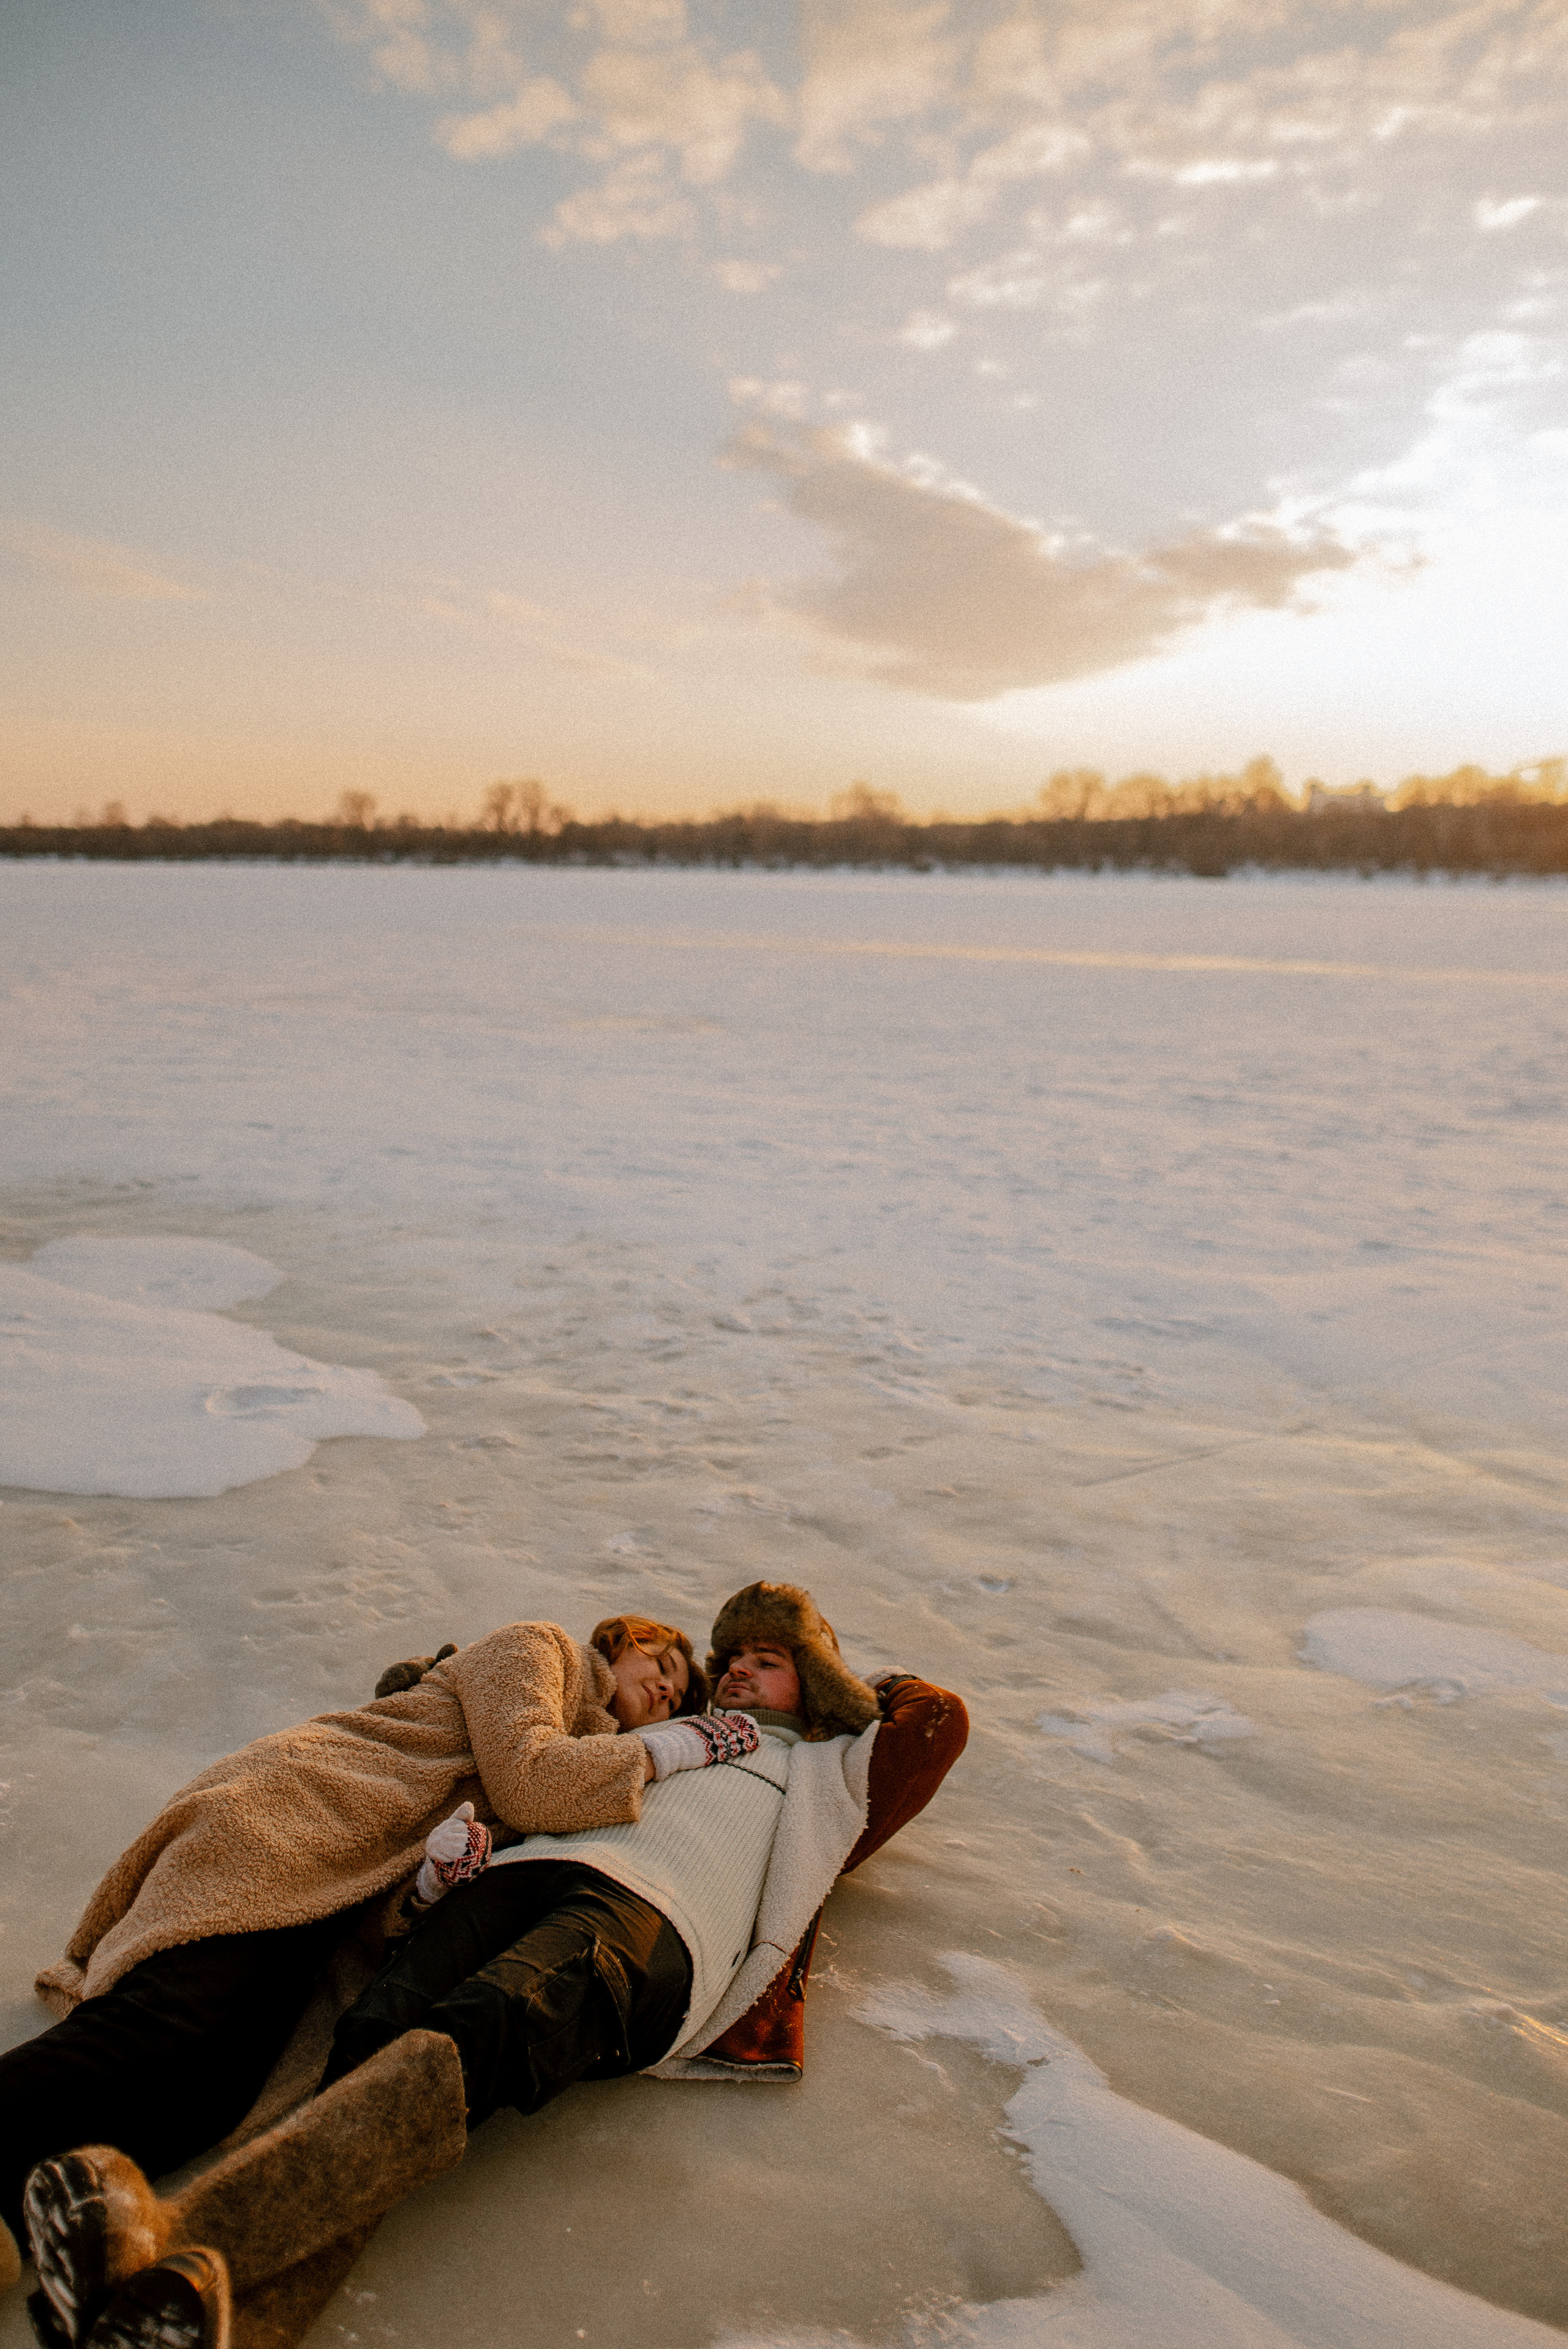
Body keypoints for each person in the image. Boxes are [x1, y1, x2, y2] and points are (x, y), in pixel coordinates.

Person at [20, 1584, 967, 2349]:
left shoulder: (827, 1766)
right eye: (711, 1664)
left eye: (764, 1662)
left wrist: (824, 1672)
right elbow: (523, 1775)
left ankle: (181, 2252)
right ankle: (220, 2315)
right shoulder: (600, 1719)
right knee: (347, 2044)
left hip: (654, 1909)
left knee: (473, 2028)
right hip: (466, 1865)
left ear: (818, 1678)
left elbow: (935, 1720)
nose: (723, 1678)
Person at [2, 1613, 715, 2339]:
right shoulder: (543, 1650)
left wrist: (431, 1888)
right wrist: (681, 1746)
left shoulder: (590, 1761)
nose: (666, 1689)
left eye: (680, 1696)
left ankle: (8, 2218)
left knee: (215, 2092)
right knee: (167, 2023)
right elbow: (529, 1778)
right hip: (290, 1817)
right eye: (664, 1665)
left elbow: (409, 1891)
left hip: (331, 1889)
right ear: (627, 1639)